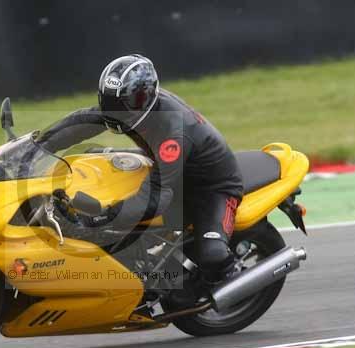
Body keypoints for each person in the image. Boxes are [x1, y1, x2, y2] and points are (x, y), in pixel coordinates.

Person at [38, 54, 243, 300]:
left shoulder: (173, 133)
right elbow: (81, 122)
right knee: (91, 158)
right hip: (167, 168)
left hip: (211, 188)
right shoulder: (130, 107)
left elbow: (155, 198)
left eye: (122, 105)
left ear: (145, 98)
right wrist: (39, 145)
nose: (114, 112)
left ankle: (233, 278)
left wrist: (101, 217)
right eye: (108, 102)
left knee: (212, 254)